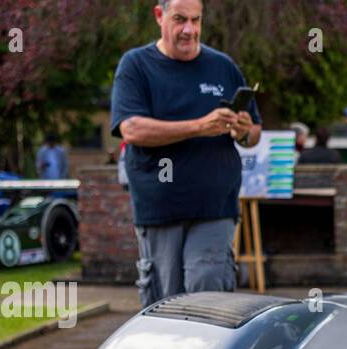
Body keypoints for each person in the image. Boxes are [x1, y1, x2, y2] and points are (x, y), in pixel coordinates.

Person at [110, 0, 261, 306]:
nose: (189, 30)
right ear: (158, 16)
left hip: (215, 206)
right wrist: (198, 127)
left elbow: (254, 133)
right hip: (159, 208)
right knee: (167, 304)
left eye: (196, 20)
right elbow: (132, 129)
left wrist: (243, 130)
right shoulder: (136, 66)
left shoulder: (223, 67)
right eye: (180, 19)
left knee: (207, 293)